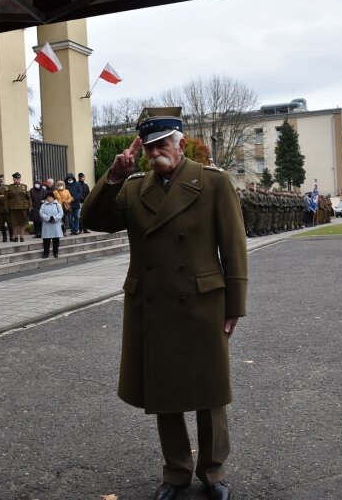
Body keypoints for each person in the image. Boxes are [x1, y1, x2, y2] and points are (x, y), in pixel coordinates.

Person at [81, 107, 247, 500]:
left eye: (163, 144)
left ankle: (213, 472)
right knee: (165, 392)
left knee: (210, 393)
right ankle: (175, 472)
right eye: (150, 147)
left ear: (180, 142)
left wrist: (235, 305)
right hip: (153, 305)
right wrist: (114, 177)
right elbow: (94, 219)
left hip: (203, 302)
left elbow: (234, 248)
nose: (157, 153)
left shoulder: (212, 183)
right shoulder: (135, 188)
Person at [5, 172, 31, 242]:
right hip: (13, 207)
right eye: (16, 178)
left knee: (22, 223)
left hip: (23, 207)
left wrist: (30, 206)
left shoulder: (25, 186)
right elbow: (6, 199)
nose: (17, 179)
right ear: (13, 179)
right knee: (14, 223)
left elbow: (29, 198)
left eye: (18, 178)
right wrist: (6, 207)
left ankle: (22, 236)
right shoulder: (8, 187)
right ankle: (16, 236)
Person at [38, 192, 64, 258]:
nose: (49, 199)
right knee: (46, 240)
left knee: (56, 240)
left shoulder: (57, 204)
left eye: (50, 197)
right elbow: (41, 213)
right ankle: (46, 253)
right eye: (48, 198)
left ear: (53, 198)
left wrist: (54, 219)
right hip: (47, 225)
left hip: (55, 224)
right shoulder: (43, 205)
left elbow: (61, 213)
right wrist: (48, 219)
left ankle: (55, 253)